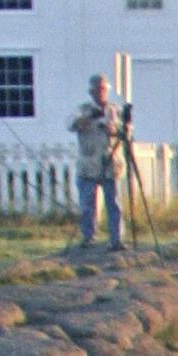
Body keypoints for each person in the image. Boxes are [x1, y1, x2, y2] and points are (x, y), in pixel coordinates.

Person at [68, 75, 126, 250]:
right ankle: (88, 237)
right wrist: (89, 119)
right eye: (97, 89)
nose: (101, 93)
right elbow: (71, 124)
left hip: (109, 163)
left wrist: (113, 129)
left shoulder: (114, 110)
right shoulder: (83, 109)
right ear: (91, 92)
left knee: (114, 203)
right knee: (87, 204)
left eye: (103, 89)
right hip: (88, 164)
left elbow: (125, 130)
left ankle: (116, 240)